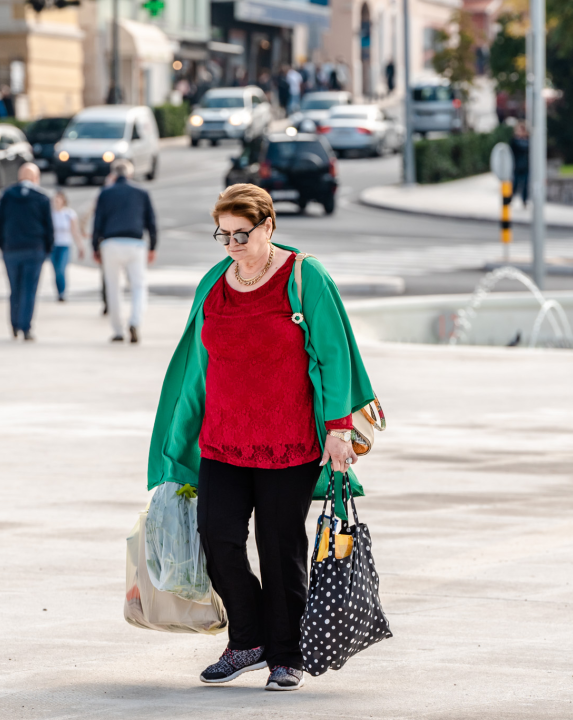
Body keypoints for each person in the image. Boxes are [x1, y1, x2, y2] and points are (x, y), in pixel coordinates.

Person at [147, 183, 376, 692]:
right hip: (223, 440)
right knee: (218, 539)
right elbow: (197, 367)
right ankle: (246, 640)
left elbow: (334, 354)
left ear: (268, 225)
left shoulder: (302, 275)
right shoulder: (216, 282)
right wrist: (179, 435)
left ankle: (285, 654)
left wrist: (339, 428)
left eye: (241, 234)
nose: (232, 245)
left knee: (280, 550)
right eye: (223, 235)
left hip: (289, 441)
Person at [92, 159, 157, 344]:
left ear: (113, 174)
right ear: (130, 173)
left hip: (110, 243)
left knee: (113, 288)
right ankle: (135, 321)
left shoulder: (105, 193)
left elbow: (98, 222)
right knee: (138, 286)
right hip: (135, 243)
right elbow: (151, 222)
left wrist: (95, 247)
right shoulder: (141, 192)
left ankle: (118, 330)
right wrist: (152, 246)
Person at [0, 163, 54, 340]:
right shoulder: (42, 198)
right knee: (29, 289)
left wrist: (2, 244)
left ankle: (14, 323)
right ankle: (25, 326)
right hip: (34, 249)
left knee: (14, 288)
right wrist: (48, 249)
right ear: (35, 178)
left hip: (11, 248)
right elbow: (49, 228)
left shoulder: (7, 195)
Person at [50, 190, 85, 302]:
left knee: (61, 269)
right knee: (55, 270)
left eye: (57, 200)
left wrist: (80, 246)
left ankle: (62, 292)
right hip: (53, 246)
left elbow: (75, 231)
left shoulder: (69, 213)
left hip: (64, 245)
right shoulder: (50, 214)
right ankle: (58, 291)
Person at [510, 121, 530, 207]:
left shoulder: (528, 141)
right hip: (517, 166)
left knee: (525, 185)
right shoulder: (514, 141)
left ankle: (524, 201)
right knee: (515, 184)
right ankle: (510, 200)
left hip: (525, 166)